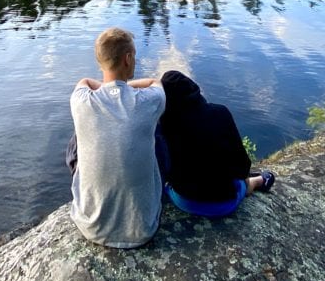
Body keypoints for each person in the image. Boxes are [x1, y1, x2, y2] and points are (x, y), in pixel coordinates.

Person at [67, 27, 166, 248]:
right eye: (135, 56)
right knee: (154, 131)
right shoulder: (149, 101)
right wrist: (123, 88)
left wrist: (108, 88)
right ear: (128, 59)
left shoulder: (80, 100)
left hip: (91, 227)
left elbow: (84, 81)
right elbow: (155, 82)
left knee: (80, 133)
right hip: (142, 229)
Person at [159, 69, 276, 218]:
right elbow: (242, 167)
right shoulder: (220, 113)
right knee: (243, 181)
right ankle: (258, 181)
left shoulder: (164, 125)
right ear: (194, 89)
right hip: (222, 204)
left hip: (184, 201)